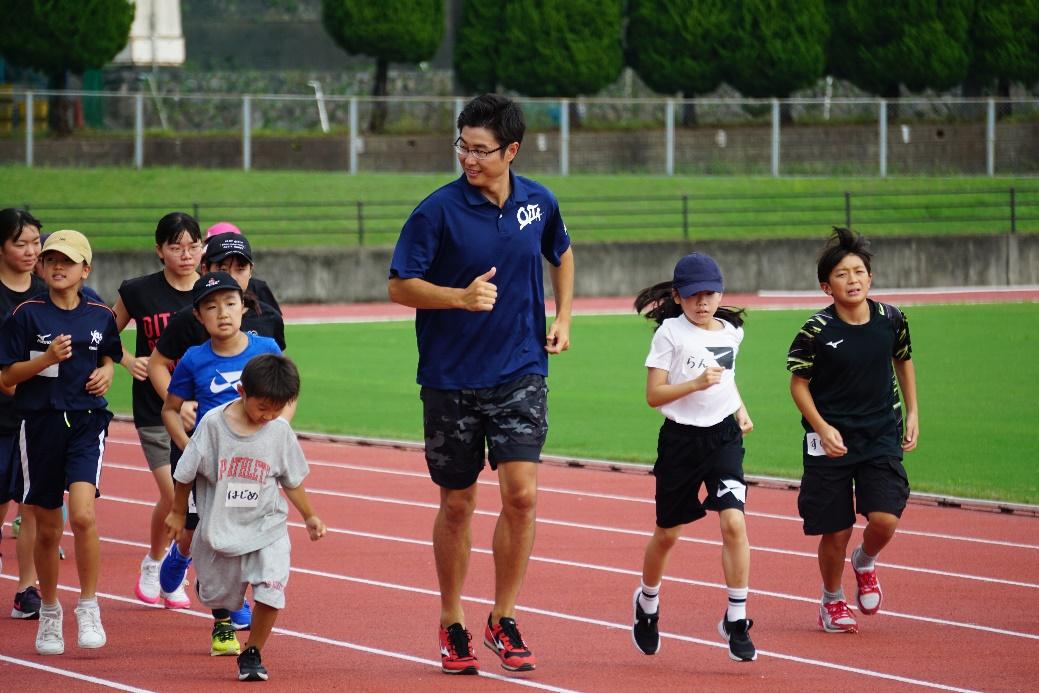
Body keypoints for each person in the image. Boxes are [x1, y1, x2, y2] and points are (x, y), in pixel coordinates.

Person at [387, 93, 574, 675]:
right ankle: (452, 620)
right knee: (459, 503)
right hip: (450, 378)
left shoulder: (538, 201)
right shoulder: (436, 211)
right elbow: (400, 285)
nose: (468, 157)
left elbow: (561, 254)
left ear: (511, 150)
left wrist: (565, 315)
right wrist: (458, 298)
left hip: (520, 369)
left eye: (480, 149)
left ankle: (504, 615)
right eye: (462, 146)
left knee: (523, 494)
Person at [786, 226, 919, 634]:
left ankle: (865, 561)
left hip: (880, 433)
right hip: (830, 441)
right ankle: (831, 600)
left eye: (859, 271)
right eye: (842, 274)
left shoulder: (891, 319)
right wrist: (822, 427)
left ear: (870, 278)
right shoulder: (815, 331)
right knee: (837, 529)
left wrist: (914, 411)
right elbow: (798, 384)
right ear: (827, 286)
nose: (853, 280)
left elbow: (903, 360)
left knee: (884, 519)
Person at [629, 253, 757, 662]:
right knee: (668, 533)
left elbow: (726, 377)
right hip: (680, 442)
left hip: (723, 437)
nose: (703, 302)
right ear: (678, 296)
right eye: (694, 295)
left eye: (710, 294)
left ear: (721, 293)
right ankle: (647, 603)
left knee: (734, 521)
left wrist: (738, 407)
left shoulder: (731, 331)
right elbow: (654, 396)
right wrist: (696, 383)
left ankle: (736, 618)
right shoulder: (670, 334)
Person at [165, 353, 324, 681]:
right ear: (241, 391)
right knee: (218, 595)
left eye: (277, 409)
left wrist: (310, 516)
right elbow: (185, 474)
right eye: (262, 407)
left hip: (268, 526)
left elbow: (291, 480)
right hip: (221, 529)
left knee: (271, 588)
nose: (269, 416)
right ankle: (213, 592)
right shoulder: (212, 424)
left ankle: (252, 652)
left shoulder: (278, 430)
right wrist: (178, 513)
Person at [0, 230, 122, 655]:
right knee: (49, 530)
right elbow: (6, 377)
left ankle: (88, 604)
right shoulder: (26, 315)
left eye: (67, 261)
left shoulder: (101, 314)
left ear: (85, 270)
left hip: (87, 422)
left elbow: (109, 352)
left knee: (84, 516)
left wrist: (108, 370)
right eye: (50, 259)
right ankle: (50, 611)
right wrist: (46, 359)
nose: (56, 266)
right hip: (39, 425)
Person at [160, 271, 285, 655]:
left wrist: (276, 431)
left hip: (255, 469)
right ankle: (222, 622)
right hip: (211, 475)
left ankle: (215, 578)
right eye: (211, 308)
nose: (223, 313)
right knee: (214, 546)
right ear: (199, 317)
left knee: (253, 541)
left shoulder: (265, 348)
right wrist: (190, 447)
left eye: (230, 304)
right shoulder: (194, 360)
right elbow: (170, 409)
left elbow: (288, 392)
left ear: (243, 306)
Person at [112, 212, 203, 609]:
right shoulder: (138, 292)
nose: (185, 254)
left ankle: (163, 564)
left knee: (186, 500)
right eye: (175, 246)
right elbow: (100, 331)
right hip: (155, 407)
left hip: (203, 407)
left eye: (192, 245)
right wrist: (126, 359)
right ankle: (160, 564)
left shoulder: (212, 292)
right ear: (159, 250)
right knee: (174, 494)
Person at [0, 208, 45, 620]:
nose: (32, 251)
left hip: (39, 414)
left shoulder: (51, 288)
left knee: (32, 502)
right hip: (1, 412)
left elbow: (96, 328)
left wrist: (108, 366)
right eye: (21, 243)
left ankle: (26, 587)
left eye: (36, 241)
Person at [204, 222, 281, 314]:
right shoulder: (191, 315)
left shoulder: (268, 316)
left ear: (250, 270)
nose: (232, 278)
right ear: (205, 270)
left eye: (240, 269)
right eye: (222, 270)